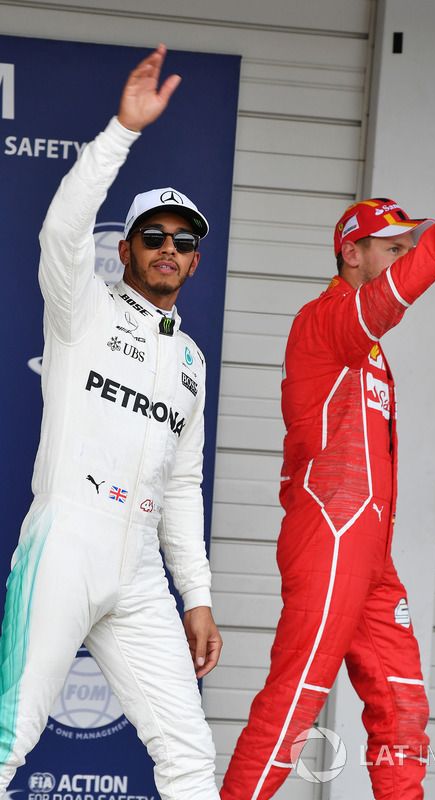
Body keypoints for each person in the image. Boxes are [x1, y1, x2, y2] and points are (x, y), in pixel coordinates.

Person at [221, 138, 435, 800]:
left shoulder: (369, 349)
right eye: (391, 246)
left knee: (402, 704)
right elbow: (397, 294)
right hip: (328, 535)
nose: (400, 259)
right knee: (293, 703)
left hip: (370, 554)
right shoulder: (327, 320)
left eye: (407, 246)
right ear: (351, 252)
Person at [0, 45, 222, 800]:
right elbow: (62, 231)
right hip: (67, 539)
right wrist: (122, 134)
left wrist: (196, 596)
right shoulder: (82, 311)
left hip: (139, 572)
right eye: (153, 237)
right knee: (9, 737)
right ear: (124, 249)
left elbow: (184, 483)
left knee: (192, 755)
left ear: (195, 262)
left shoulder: (190, 361)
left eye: (183, 241)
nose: (168, 249)